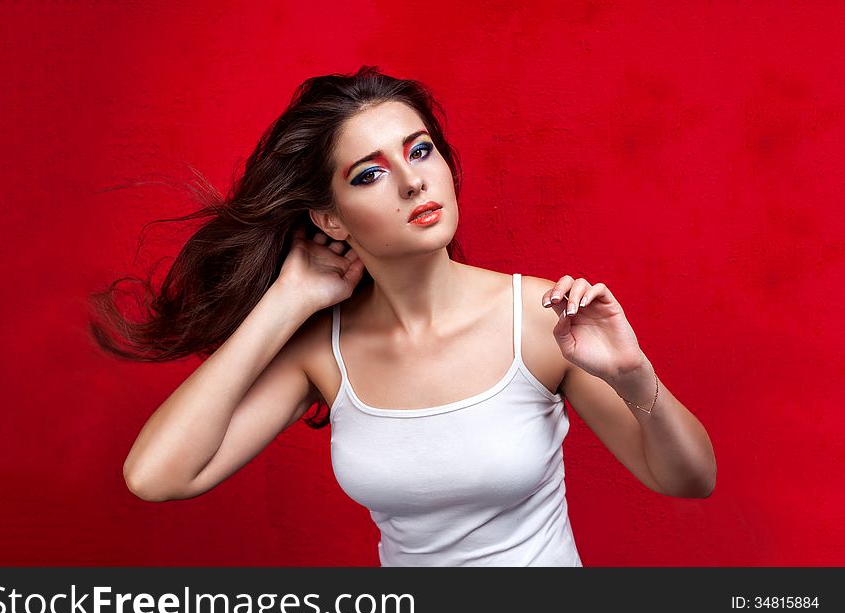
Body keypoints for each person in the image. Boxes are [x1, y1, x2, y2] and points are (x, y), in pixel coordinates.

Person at [89, 66, 716, 567]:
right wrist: (286, 301)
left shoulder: (544, 317)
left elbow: (689, 480)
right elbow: (155, 477)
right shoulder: (321, 350)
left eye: (420, 151)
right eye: (369, 174)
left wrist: (634, 378)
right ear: (329, 218)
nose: (413, 182)